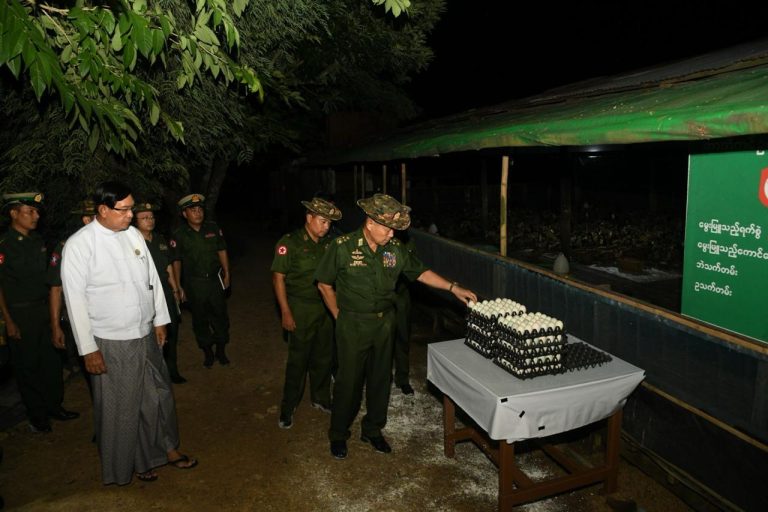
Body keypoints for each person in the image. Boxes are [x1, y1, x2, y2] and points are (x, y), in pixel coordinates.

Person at [315, 193, 477, 459]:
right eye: (387, 228)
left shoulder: (394, 249)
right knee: (349, 382)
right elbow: (324, 283)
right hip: (353, 324)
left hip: (384, 324)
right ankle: (339, 433)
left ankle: (373, 430)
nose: (391, 234)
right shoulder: (342, 246)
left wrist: (452, 287)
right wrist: (338, 315)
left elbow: (420, 272)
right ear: (370, 223)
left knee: (380, 380)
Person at [61, 182, 197, 485]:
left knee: (159, 394)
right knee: (123, 407)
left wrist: (160, 319)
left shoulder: (133, 235)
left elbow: (153, 280)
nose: (131, 215)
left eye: (132, 208)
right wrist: (88, 349)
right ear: (103, 210)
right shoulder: (80, 245)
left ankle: (167, 448)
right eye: (124, 210)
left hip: (145, 332)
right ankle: (130, 464)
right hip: (111, 340)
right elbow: (75, 301)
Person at [0, 192, 79, 434]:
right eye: (30, 211)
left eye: (37, 212)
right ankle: (37, 415)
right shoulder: (4, 245)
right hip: (21, 314)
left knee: (51, 362)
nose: (36, 216)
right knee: (27, 366)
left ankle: (55, 406)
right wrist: (9, 321)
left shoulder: (38, 241)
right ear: (14, 213)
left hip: (44, 309)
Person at [271, 197, 341, 429]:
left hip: (324, 309)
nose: (326, 227)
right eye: (322, 221)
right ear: (309, 218)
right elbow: (278, 278)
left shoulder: (329, 244)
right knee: (298, 360)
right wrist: (285, 311)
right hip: (300, 307)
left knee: (324, 356)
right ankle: (288, 407)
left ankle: (321, 398)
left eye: (329, 223)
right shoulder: (289, 242)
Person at [171, 194, 231, 368]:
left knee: (220, 316)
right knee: (199, 318)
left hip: (214, 281)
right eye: (193, 210)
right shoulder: (179, 235)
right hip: (194, 283)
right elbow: (176, 260)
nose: (198, 213)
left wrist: (227, 273)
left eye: (200, 209)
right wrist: (178, 285)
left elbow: (222, 250)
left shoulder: (212, 228)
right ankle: (208, 351)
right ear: (185, 214)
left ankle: (221, 349)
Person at [134, 202, 186, 384]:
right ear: (135, 221)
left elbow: (168, 266)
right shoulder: (131, 242)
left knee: (170, 333)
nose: (150, 220)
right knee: (147, 335)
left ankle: (172, 371)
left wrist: (176, 288)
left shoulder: (160, 240)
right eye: (145, 218)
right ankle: (152, 376)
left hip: (164, 292)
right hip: (144, 295)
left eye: (152, 217)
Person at [48, 199, 96, 393]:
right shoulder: (68, 247)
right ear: (86, 220)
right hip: (82, 319)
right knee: (94, 371)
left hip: (111, 320)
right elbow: (56, 288)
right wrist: (55, 326)